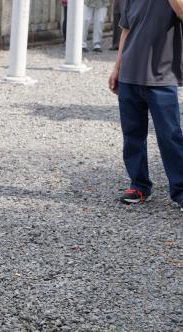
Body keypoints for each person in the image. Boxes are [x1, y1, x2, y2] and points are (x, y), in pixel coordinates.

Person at [108, 0, 183, 212]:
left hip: (162, 78)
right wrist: (116, 69)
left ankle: (180, 190)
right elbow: (126, 32)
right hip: (129, 76)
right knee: (132, 135)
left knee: (170, 136)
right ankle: (139, 185)